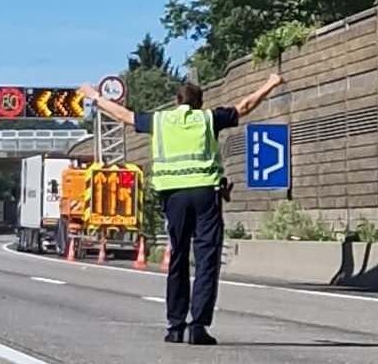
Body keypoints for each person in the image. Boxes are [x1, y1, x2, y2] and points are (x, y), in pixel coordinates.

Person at [81, 70, 284, 345]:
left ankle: (175, 326)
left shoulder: (161, 121)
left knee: (178, 257)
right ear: (200, 102)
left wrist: (95, 97)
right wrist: (270, 83)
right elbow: (245, 106)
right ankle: (197, 326)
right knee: (206, 260)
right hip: (205, 195)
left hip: (173, 196)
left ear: (176, 101)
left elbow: (124, 116)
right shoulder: (208, 118)